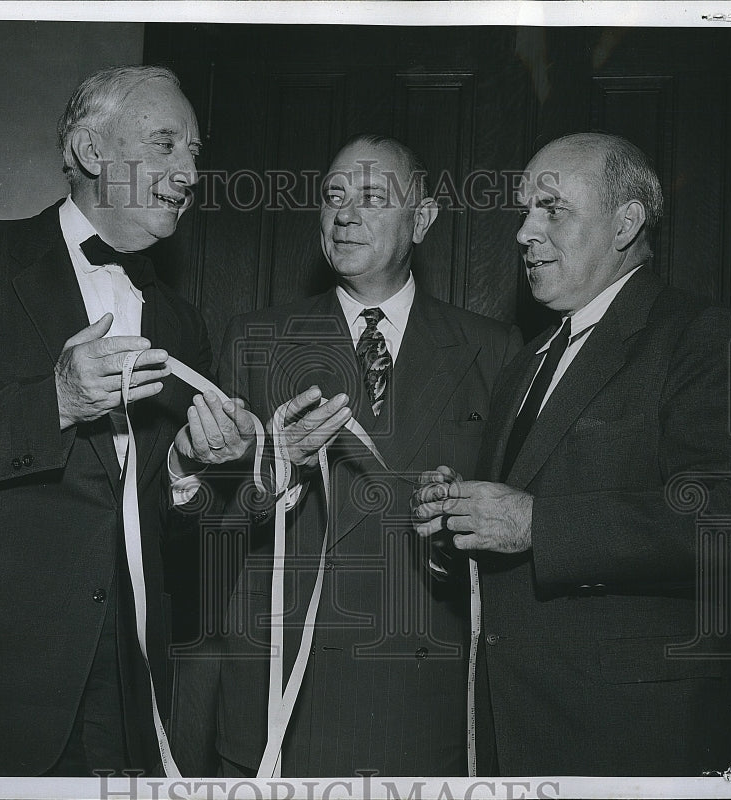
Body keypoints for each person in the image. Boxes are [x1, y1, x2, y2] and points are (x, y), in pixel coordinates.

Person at [0, 65, 253, 777]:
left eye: (194, 152)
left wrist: (189, 473)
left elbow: (150, 520)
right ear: (93, 152)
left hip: (122, 695)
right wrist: (55, 400)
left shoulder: (182, 322)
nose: (189, 171)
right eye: (165, 144)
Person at [412, 132, 731, 775]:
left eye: (551, 209)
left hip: (632, 739)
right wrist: (458, 522)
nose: (524, 232)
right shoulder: (526, 362)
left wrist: (535, 523)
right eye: (525, 210)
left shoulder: (702, 337)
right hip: (513, 735)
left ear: (626, 223)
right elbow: (515, 526)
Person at [202, 134, 521, 777]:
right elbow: (204, 524)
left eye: (372, 197)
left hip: (426, 700)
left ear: (422, 220)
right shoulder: (256, 339)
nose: (344, 213)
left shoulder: (495, 350)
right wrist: (276, 469)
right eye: (334, 196)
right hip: (284, 697)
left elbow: (511, 537)